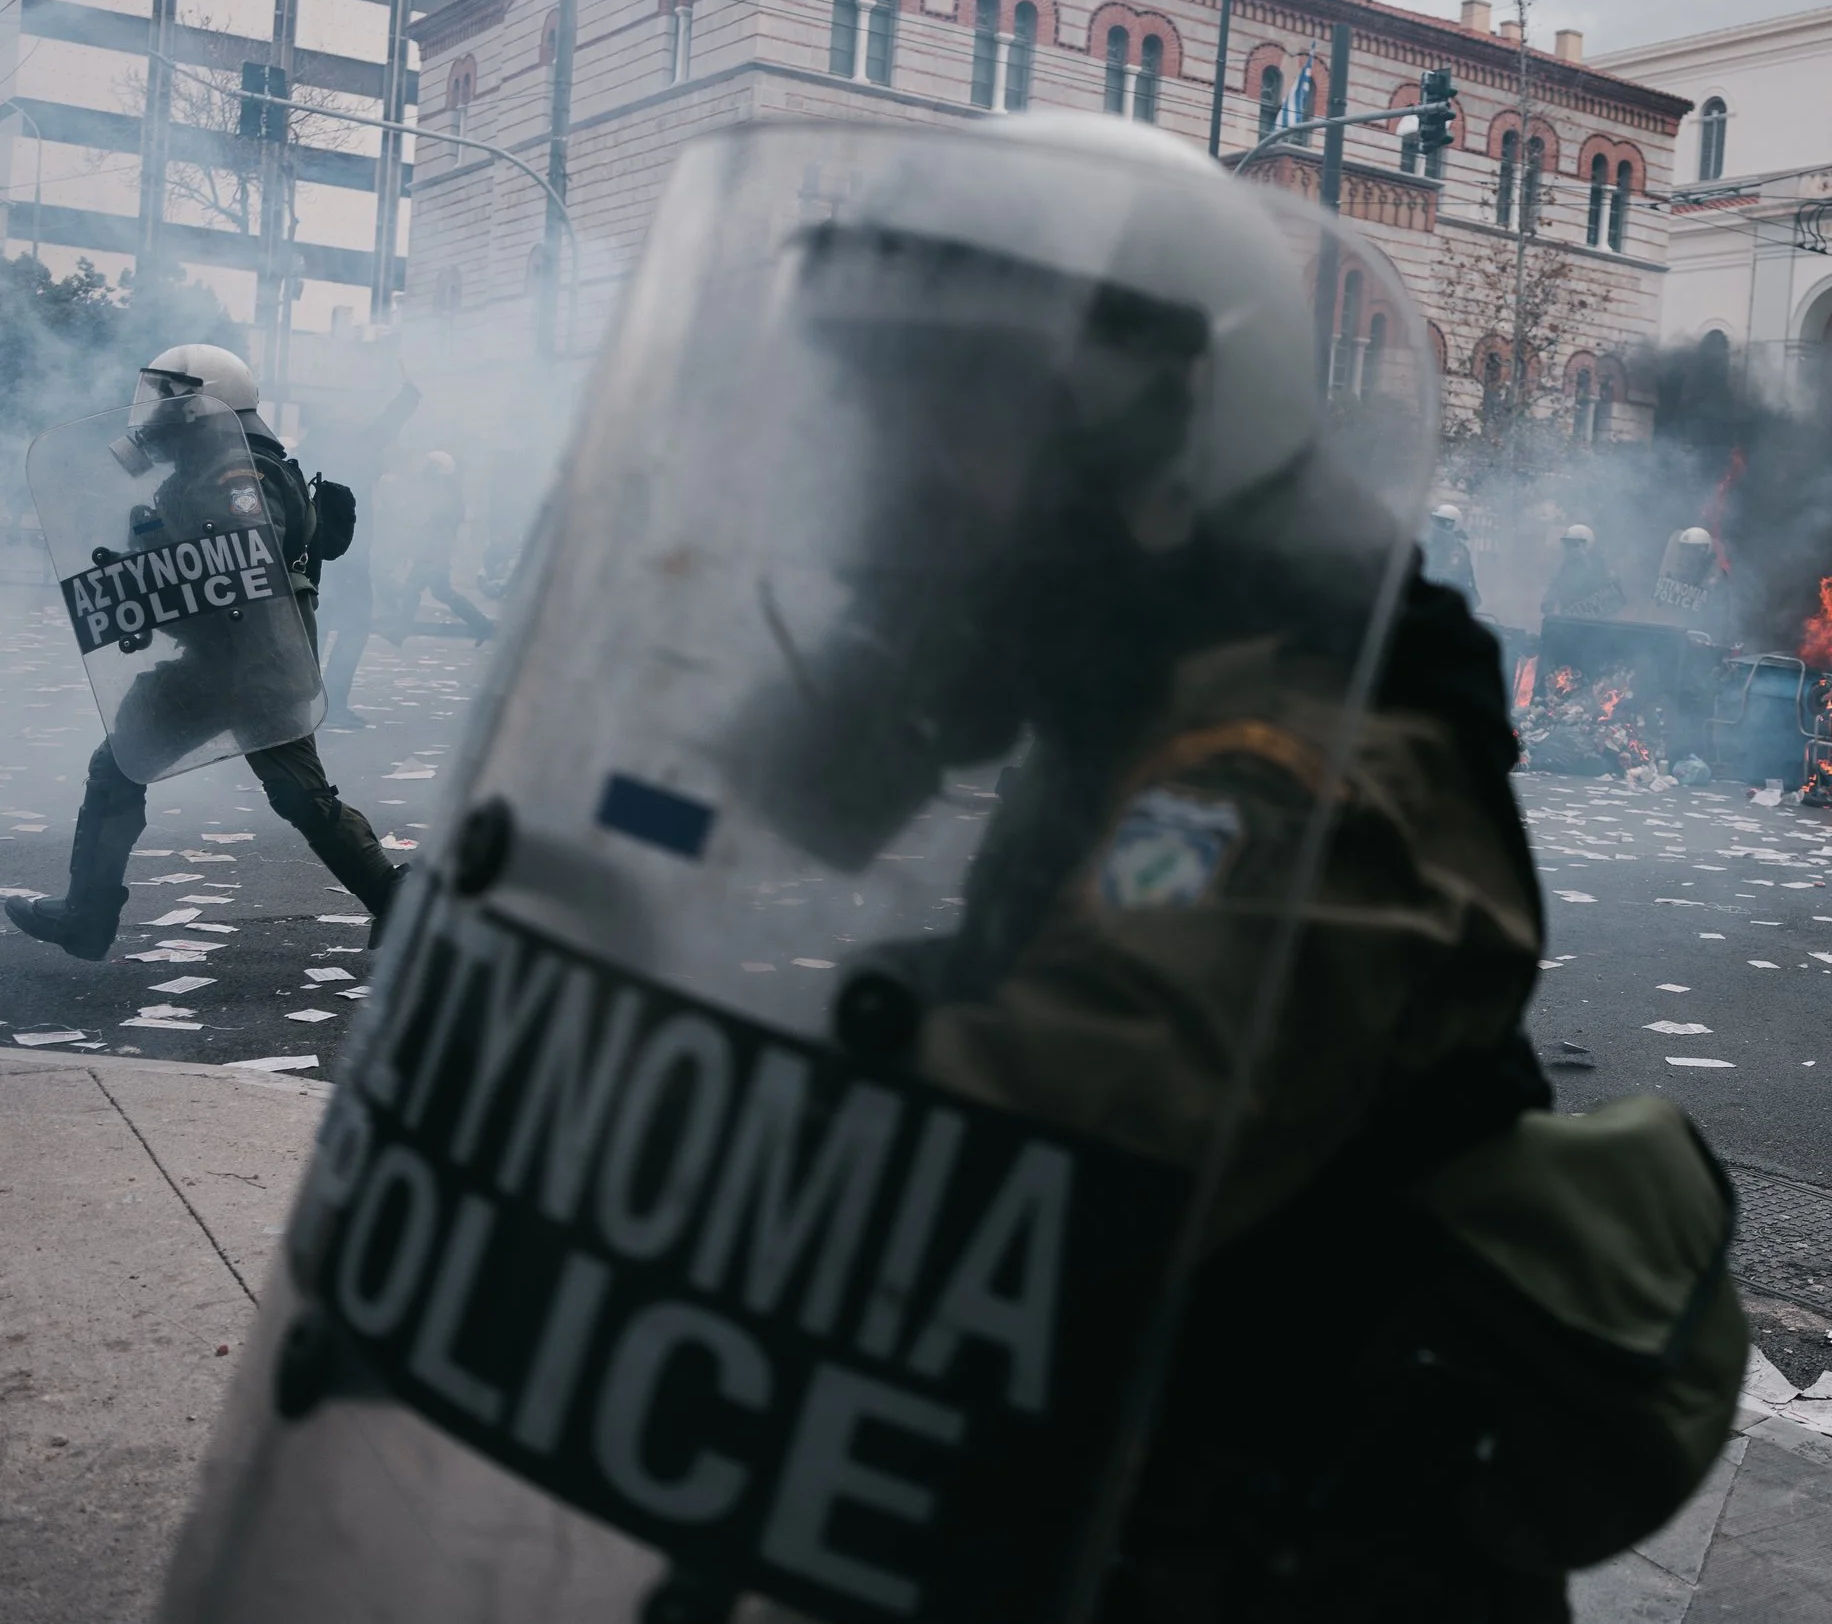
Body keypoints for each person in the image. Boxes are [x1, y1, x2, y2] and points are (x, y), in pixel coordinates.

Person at [160, 118, 1744, 1624]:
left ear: (1161, 434)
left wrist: (647, 1156)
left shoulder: (1294, 766)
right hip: (1068, 1477)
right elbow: (727, 798)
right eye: (886, 419)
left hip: (1266, 1543)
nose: (899, 479)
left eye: (955, 421)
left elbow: (1059, 1118)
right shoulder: (1122, 640)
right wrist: (595, 846)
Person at [7, 345, 405, 960]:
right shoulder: (200, 470)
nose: (155, 411)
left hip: (262, 666)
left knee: (299, 795)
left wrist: (175, 553)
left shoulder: (240, 473)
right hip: (217, 666)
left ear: (206, 400)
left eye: (169, 396)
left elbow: (248, 555)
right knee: (121, 764)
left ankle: (397, 898)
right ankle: (86, 916)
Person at [310, 376, 420, 728]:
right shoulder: (355, 446)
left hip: (317, 557)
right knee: (351, 630)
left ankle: (308, 703)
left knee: (319, 629)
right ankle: (333, 704)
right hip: (349, 558)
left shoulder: (311, 449)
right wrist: (409, 394)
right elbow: (386, 425)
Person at [386, 448, 493, 641]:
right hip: (433, 551)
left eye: (431, 466)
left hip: (435, 552)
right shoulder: (440, 491)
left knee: (413, 589)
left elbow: (435, 524)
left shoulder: (446, 494)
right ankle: (482, 625)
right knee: (442, 592)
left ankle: (400, 631)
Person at [1541, 522, 1624, 620]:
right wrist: (1549, 600)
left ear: (1585, 544)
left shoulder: (1599, 563)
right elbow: (1557, 585)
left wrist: (1585, 561)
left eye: (1573, 545)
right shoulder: (1567, 566)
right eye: (1567, 545)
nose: (1568, 549)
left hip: (1596, 623)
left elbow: (1609, 592)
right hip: (1570, 622)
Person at [1422, 500, 1480, 608]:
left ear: (1453, 525)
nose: (1436, 526)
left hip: (1446, 601)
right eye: (1435, 521)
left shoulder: (1459, 551)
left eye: (1442, 523)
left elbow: (1460, 579)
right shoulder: (1425, 543)